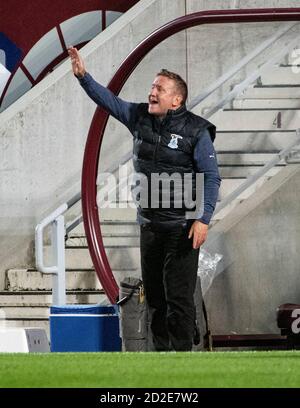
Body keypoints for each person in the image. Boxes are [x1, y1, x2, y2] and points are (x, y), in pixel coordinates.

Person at [68, 47, 221, 351]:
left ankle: (183, 359)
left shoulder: (196, 130)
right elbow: (108, 101)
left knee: (178, 298)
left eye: (159, 89)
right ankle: (161, 358)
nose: (152, 93)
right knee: (155, 298)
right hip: (150, 226)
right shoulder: (138, 117)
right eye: (152, 87)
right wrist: (84, 77)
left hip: (182, 228)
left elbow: (211, 177)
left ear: (176, 99)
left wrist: (203, 219)